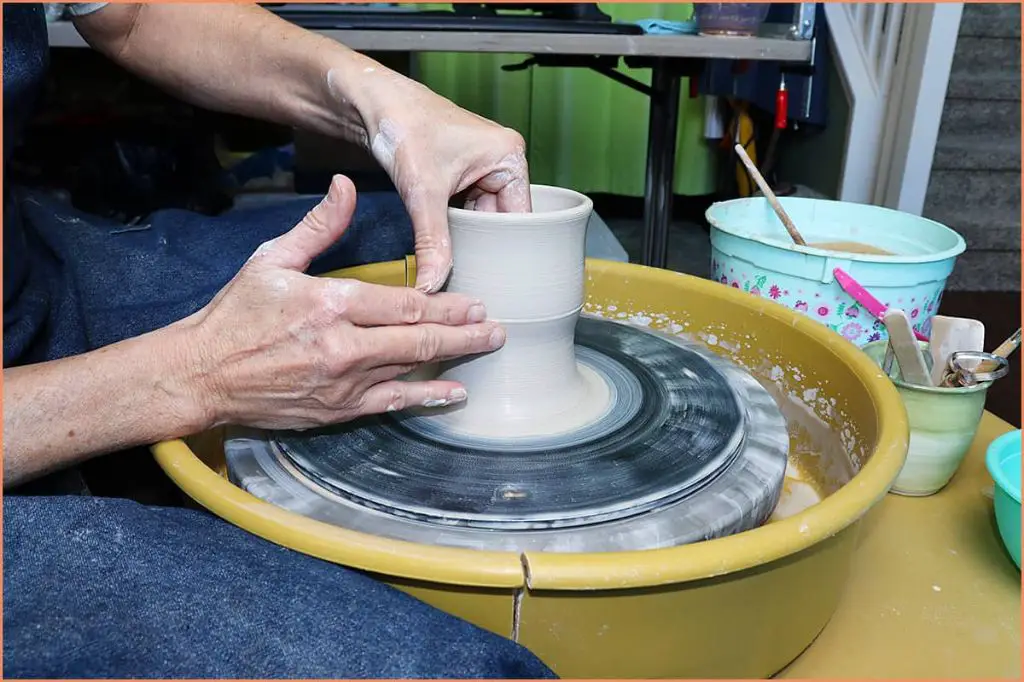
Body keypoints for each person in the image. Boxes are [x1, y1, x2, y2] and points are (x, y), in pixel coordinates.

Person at [3, 3, 555, 678]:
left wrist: (375, 99)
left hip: (23, 272)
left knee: (434, 233)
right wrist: (196, 373)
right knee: (455, 669)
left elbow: (136, 14)